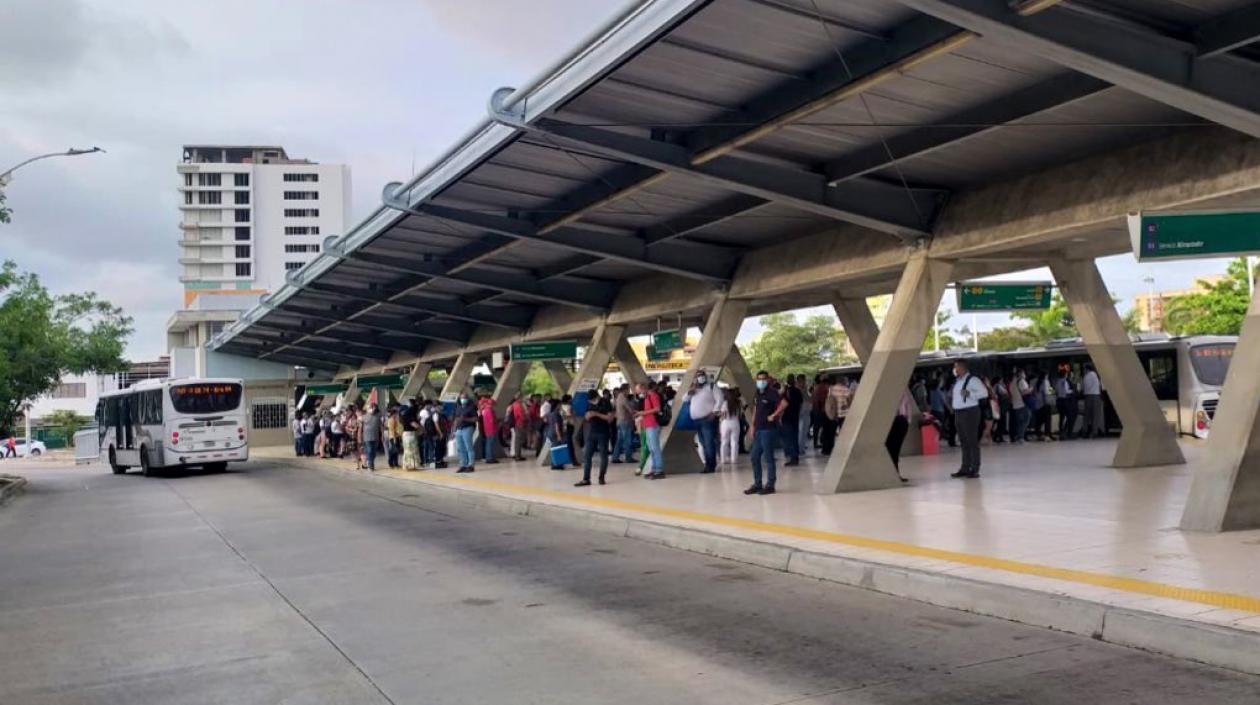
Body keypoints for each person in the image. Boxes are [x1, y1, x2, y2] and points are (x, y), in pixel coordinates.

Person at [746, 370, 786, 496]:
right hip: (759, 429)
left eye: (764, 379)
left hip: (768, 430)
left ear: (768, 380)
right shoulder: (758, 393)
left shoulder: (772, 393)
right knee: (754, 456)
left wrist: (774, 415)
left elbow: (784, 403)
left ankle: (770, 485)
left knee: (768, 457)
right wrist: (752, 426)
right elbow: (755, 410)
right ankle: (757, 484)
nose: (761, 381)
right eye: (759, 379)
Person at [950, 359, 988, 479]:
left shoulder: (973, 380)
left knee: (972, 441)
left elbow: (984, 393)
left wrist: (970, 394)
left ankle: (974, 468)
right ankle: (965, 467)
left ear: (962, 368)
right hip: (959, 412)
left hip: (969, 412)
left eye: (956, 367)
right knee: (964, 441)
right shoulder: (958, 381)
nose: (954, 369)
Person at [684, 369, 722, 473]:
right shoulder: (694, 389)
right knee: (703, 443)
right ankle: (708, 464)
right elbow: (684, 399)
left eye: (702, 375)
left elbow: (720, 399)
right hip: (697, 421)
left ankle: (711, 465)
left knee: (709, 442)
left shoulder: (712, 387)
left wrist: (714, 412)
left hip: (708, 419)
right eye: (698, 376)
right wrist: (690, 391)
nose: (700, 377)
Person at [575, 391, 615, 487]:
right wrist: (587, 416)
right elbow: (586, 416)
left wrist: (596, 414)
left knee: (603, 456)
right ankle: (586, 479)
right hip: (592, 432)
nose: (591, 402)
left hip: (603, 432)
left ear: (597, 397)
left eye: (593, 400)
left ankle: (601, 477)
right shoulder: (589, 404)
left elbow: (610, 418)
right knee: (587, 455)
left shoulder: (606, 402)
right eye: (590, 401)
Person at [635, 381, 665, 479]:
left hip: (653, 424)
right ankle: (654, 469)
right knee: (651, 448)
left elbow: (657, 409)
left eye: (638, 391)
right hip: (647, 425)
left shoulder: (653, 395)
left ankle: (659, 470)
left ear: (643, 388)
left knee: (655, 448)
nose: (637, 393)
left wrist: (642, 413)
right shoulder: (646, 397)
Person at [886, 388, 913, 482]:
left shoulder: (904, 393)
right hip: (891, 421)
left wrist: (908, 421)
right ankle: (892, 473)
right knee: (891, 448)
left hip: (901, 420)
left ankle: (896, 473)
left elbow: (908, 406)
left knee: (896, 449)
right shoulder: (887, 393)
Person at [821, 375, 850, 456]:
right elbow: (849, 400)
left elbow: (829, 400)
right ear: (843, 381)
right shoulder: (845, 389)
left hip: (833, 414)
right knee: (843, 432)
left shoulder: (831, 389)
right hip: (843, 414)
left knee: (831, 433)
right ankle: (843, 448)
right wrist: (846, 405)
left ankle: (828, 449)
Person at [780, 375, 803, 466]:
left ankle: (792, 456)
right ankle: (795, 456)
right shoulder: (797, 391)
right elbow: (800, 403)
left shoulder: (786, 392)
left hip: (787, 417)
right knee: (794, 437)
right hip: (795, 417)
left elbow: (782, 404)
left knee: (789, 438)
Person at [612, 384, 637, 464]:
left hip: (619, 421)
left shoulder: (618, 397)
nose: (629, 391)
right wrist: (636, 412)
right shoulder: (623, 398)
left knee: (619, 440)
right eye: (628, 389)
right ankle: (628, 457)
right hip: (625, 422)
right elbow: (630, 409)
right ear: (625, 390)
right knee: (627, 440)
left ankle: (615, 457)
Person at [453, 393, 478, 473]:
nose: (463, 399)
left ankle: (471, 465)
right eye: (462, 398)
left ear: (468, 399)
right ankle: (463, 465)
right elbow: (456, 419)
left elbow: (475, 419)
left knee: (468, 447)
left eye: (465, 398)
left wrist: (465, 419)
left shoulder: (471, 407)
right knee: (460, 448)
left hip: (468, 428)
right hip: (459, 429)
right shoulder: (458, 407)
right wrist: (454, 429)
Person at [718, 388, 741, 465]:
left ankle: (723, 459)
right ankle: (734, 459)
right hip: (735, 422)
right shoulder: (738, 403)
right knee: (734, 442)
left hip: (725, 422)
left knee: (724, 442)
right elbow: (740, 413)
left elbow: (722, 414)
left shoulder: (724, 403)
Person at [1080, 363, 1103, 439]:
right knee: (1095, 415)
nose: (1083, 370)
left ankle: (1084, 431)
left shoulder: (1085, 377)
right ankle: (1094, 432)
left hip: (1087, 396)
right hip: (1095, 396)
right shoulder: (1095, 375)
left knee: (1087, 415)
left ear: (1087, 369)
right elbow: (1099, 385)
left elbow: (1083, 388)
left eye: (1084, 369)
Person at [1055, 366, 1077, 440]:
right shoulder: (1065, 381)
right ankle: (1067, 433)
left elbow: (1055, 390)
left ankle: (1061, 432)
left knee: (1061, 417)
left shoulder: (1057, 381)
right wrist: (1072, 391)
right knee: (1070, 416)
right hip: (1065, 401)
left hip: (1059, 401)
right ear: (1065, 374)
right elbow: (1066, 391)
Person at [1009, 369, 1030, 444]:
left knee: (1019, 422)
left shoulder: (1012, 383)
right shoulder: (1021, 381)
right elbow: (1024, 392)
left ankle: (1018, 436)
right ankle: (1020, 437)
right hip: (1023, 404)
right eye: (1024, 373)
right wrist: (1031, 389)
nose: (1025, 375)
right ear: (1020, 374)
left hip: (1015, 405)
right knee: (1025, 421)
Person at [478, 393, 499, 464]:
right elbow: (492, 421)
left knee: (489, 443)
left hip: (487, 429)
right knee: (490, 444)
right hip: (491, 429)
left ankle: (490, 457)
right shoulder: (489, 410)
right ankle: (490, 458)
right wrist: (497, 423)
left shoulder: (484, 410)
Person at [360, 404, 382, 471]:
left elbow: (381, 426)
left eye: (373, 408)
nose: (372, 409)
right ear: (367, 409)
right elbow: (360, 426)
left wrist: (382, 435)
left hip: (376, 437)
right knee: (369, 450)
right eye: (370, 407)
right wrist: (359, 436)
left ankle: (369, 462)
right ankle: (370, 465)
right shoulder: (364, 417)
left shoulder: (378, 416)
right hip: (367, 437)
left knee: (374, 452)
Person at [810, 375, 829, 449]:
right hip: (820, 409)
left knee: (817, 427)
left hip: (815, 409)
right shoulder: (822, 387)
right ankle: (820, 441)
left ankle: (817, 442)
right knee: (821, 426)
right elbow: (822, 399)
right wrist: (822, 409)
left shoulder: (816, 387)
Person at [401, 400, 421, 470]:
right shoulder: (409, 414)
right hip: (409, 435)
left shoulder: (407, 413)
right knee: (410, 451)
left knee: (411, 451)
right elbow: (414, 424)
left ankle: (411, 466)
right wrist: (421, 428)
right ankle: (409, 466)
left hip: (410, 434)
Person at [507, 393, 527, 461]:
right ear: (519, 398)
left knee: (518, 439)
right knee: (518, 440)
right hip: (519, 424)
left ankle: (518, 454)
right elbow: (520, 415)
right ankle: (517, 455)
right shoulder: (517, 405)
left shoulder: (514, 404)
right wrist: (524, 418)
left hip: (517, 424)